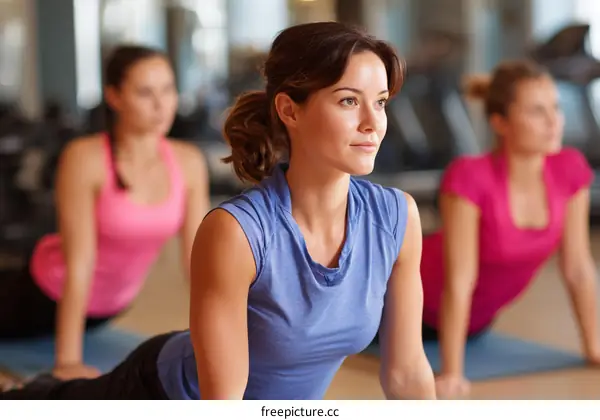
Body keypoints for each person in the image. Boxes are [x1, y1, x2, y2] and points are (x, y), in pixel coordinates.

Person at [1, 21, 436, 400]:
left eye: (379, 101)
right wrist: (68, 358)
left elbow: (405, 374)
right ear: (289, 110)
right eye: (348, 101)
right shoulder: (238, 232)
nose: (373, 122)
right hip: (164, 393)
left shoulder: (397, 219)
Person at [0, 45, 210, 382]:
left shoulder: (188, 162)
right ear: (114, 96)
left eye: (168, 89)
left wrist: (218, 340)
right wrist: (68, 362)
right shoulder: (86, 158)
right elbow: (78, 262)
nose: (161, 105)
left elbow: (196, 262)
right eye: (145, 92)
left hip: (109, 308)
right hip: (42, 295)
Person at [419, 60, 600, 399]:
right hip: (398, 305)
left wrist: (594, 349)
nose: (553, 121)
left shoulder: (570, 169)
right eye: (536, 111)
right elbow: (460, 279)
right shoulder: (469, 177)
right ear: (500, 122)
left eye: (555, 108)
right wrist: (453, 373)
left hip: (475, 324)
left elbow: (577, 267)